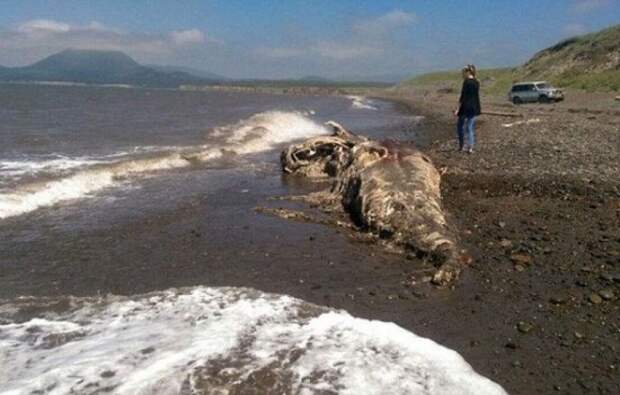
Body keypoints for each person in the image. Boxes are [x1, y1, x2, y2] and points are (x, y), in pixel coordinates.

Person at [454, 64, 481, 153]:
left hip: (465, 107)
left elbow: (463, 97)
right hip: (474, 107)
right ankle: (471, 147)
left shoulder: (466, 82)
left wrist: (458, 109)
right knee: (470, 127)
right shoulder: (476, 82)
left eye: (463, 72)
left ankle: (462, 146)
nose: (462, 74)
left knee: (460, 126)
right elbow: (476, 96)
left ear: (467, 72)